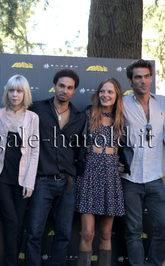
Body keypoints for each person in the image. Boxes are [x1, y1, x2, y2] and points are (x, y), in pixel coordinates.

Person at [24, 69, 86, 266]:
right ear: (54, 85)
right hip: (41, 181)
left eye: (69, 87)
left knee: (64, 234)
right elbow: (13, 112)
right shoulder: (36, 109)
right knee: (34, 232)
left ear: (74, 90)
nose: (65, 90)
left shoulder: (79, 117)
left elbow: (80, 150)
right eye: (61, 86)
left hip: (68, 183)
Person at [0, 74, 39, 266]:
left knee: (17, 227)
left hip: (22, 179)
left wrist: (29, 183)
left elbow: (34, 153)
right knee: (11, 222)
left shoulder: (33, 118)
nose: (15, 95)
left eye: (19, 91)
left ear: (25, 93)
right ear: (7, 92)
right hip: (1, 178)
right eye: (11, 90)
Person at [75, 78, 126, 266]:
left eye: (110, 92)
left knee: (105, 233)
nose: (105, 95)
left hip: (111, 176)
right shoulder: (88, 114)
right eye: (103, 91)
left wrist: (124, 164)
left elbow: (127, 149)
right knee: (88, 233)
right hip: (89, 174)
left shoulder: (121, 118)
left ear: (117, 95)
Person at [121, 59, 165, 266]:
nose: (143, 81)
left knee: (164, 226)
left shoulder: (163, 102)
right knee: (133, 231)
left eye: (147, 76)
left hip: (156, 176)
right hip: (130, 177)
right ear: (130, 80)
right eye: (138, 77)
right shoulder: (120, 103)